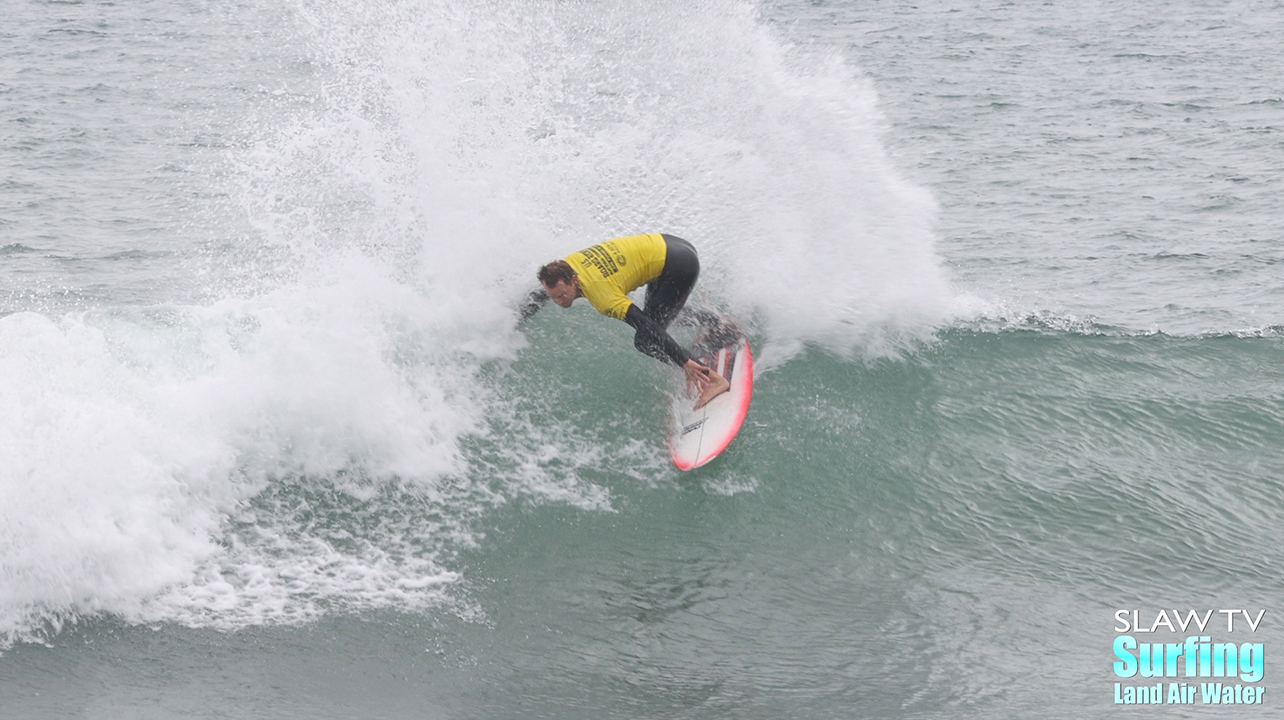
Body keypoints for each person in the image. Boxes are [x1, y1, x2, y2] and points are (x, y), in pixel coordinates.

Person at [522, 233, 730, 408]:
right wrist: (516, 319)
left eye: (562, 295)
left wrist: (684, 362)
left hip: (679, 267)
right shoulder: (566, 266)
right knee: (662, 312)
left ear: (573, 281)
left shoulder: (602, 296)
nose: (558, 302)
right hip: (670, 245)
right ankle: (714, 322)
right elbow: (544, 292)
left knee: (645, 341)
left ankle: (709, 377)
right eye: (554, 296)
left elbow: (646, 326)